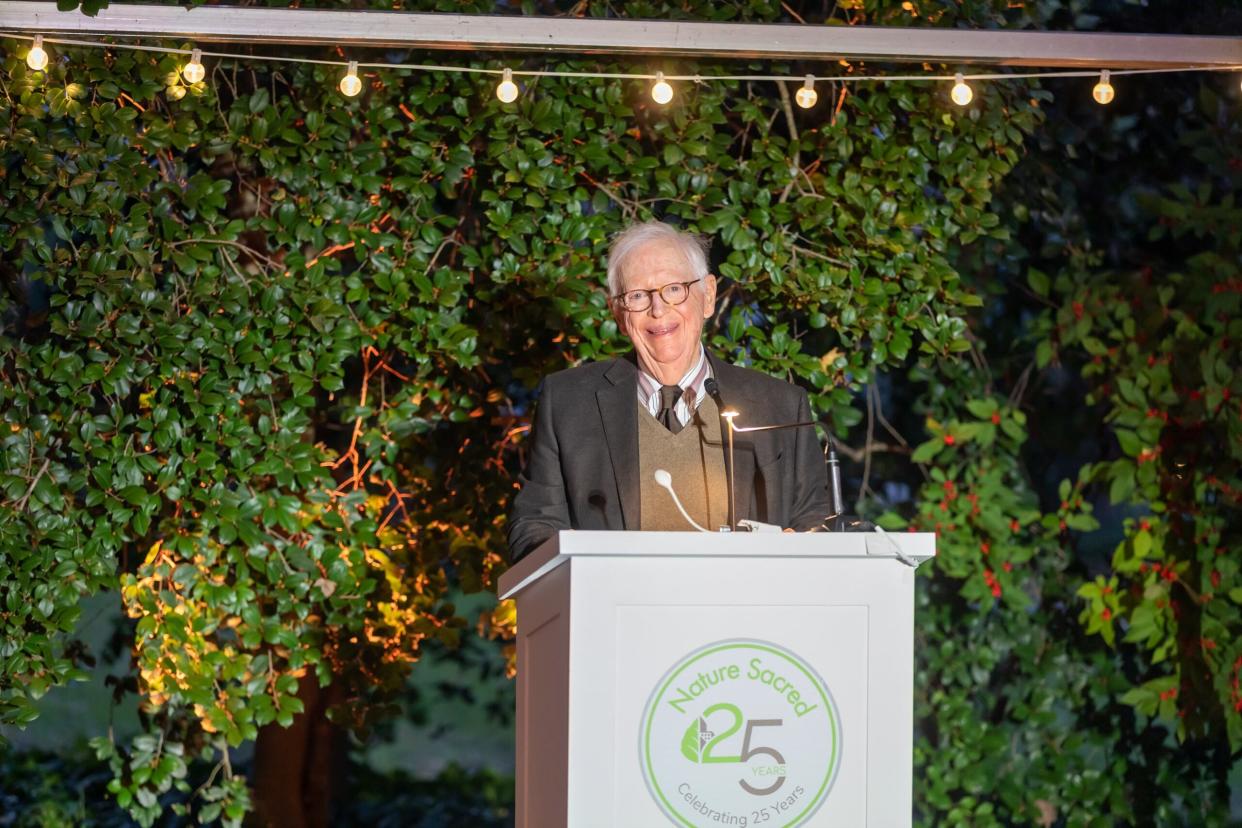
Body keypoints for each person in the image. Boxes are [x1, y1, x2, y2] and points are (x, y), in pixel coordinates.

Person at [507, 220, 833, 561]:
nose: (658, 309)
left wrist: (802, 543)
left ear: (707, 296)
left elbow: (816, 520)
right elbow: (531, 526)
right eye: (637, 296)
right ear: (619, 314)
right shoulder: (569, 403)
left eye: (674, 289)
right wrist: (575, 552)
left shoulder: (779, 406)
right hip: (617, 608)